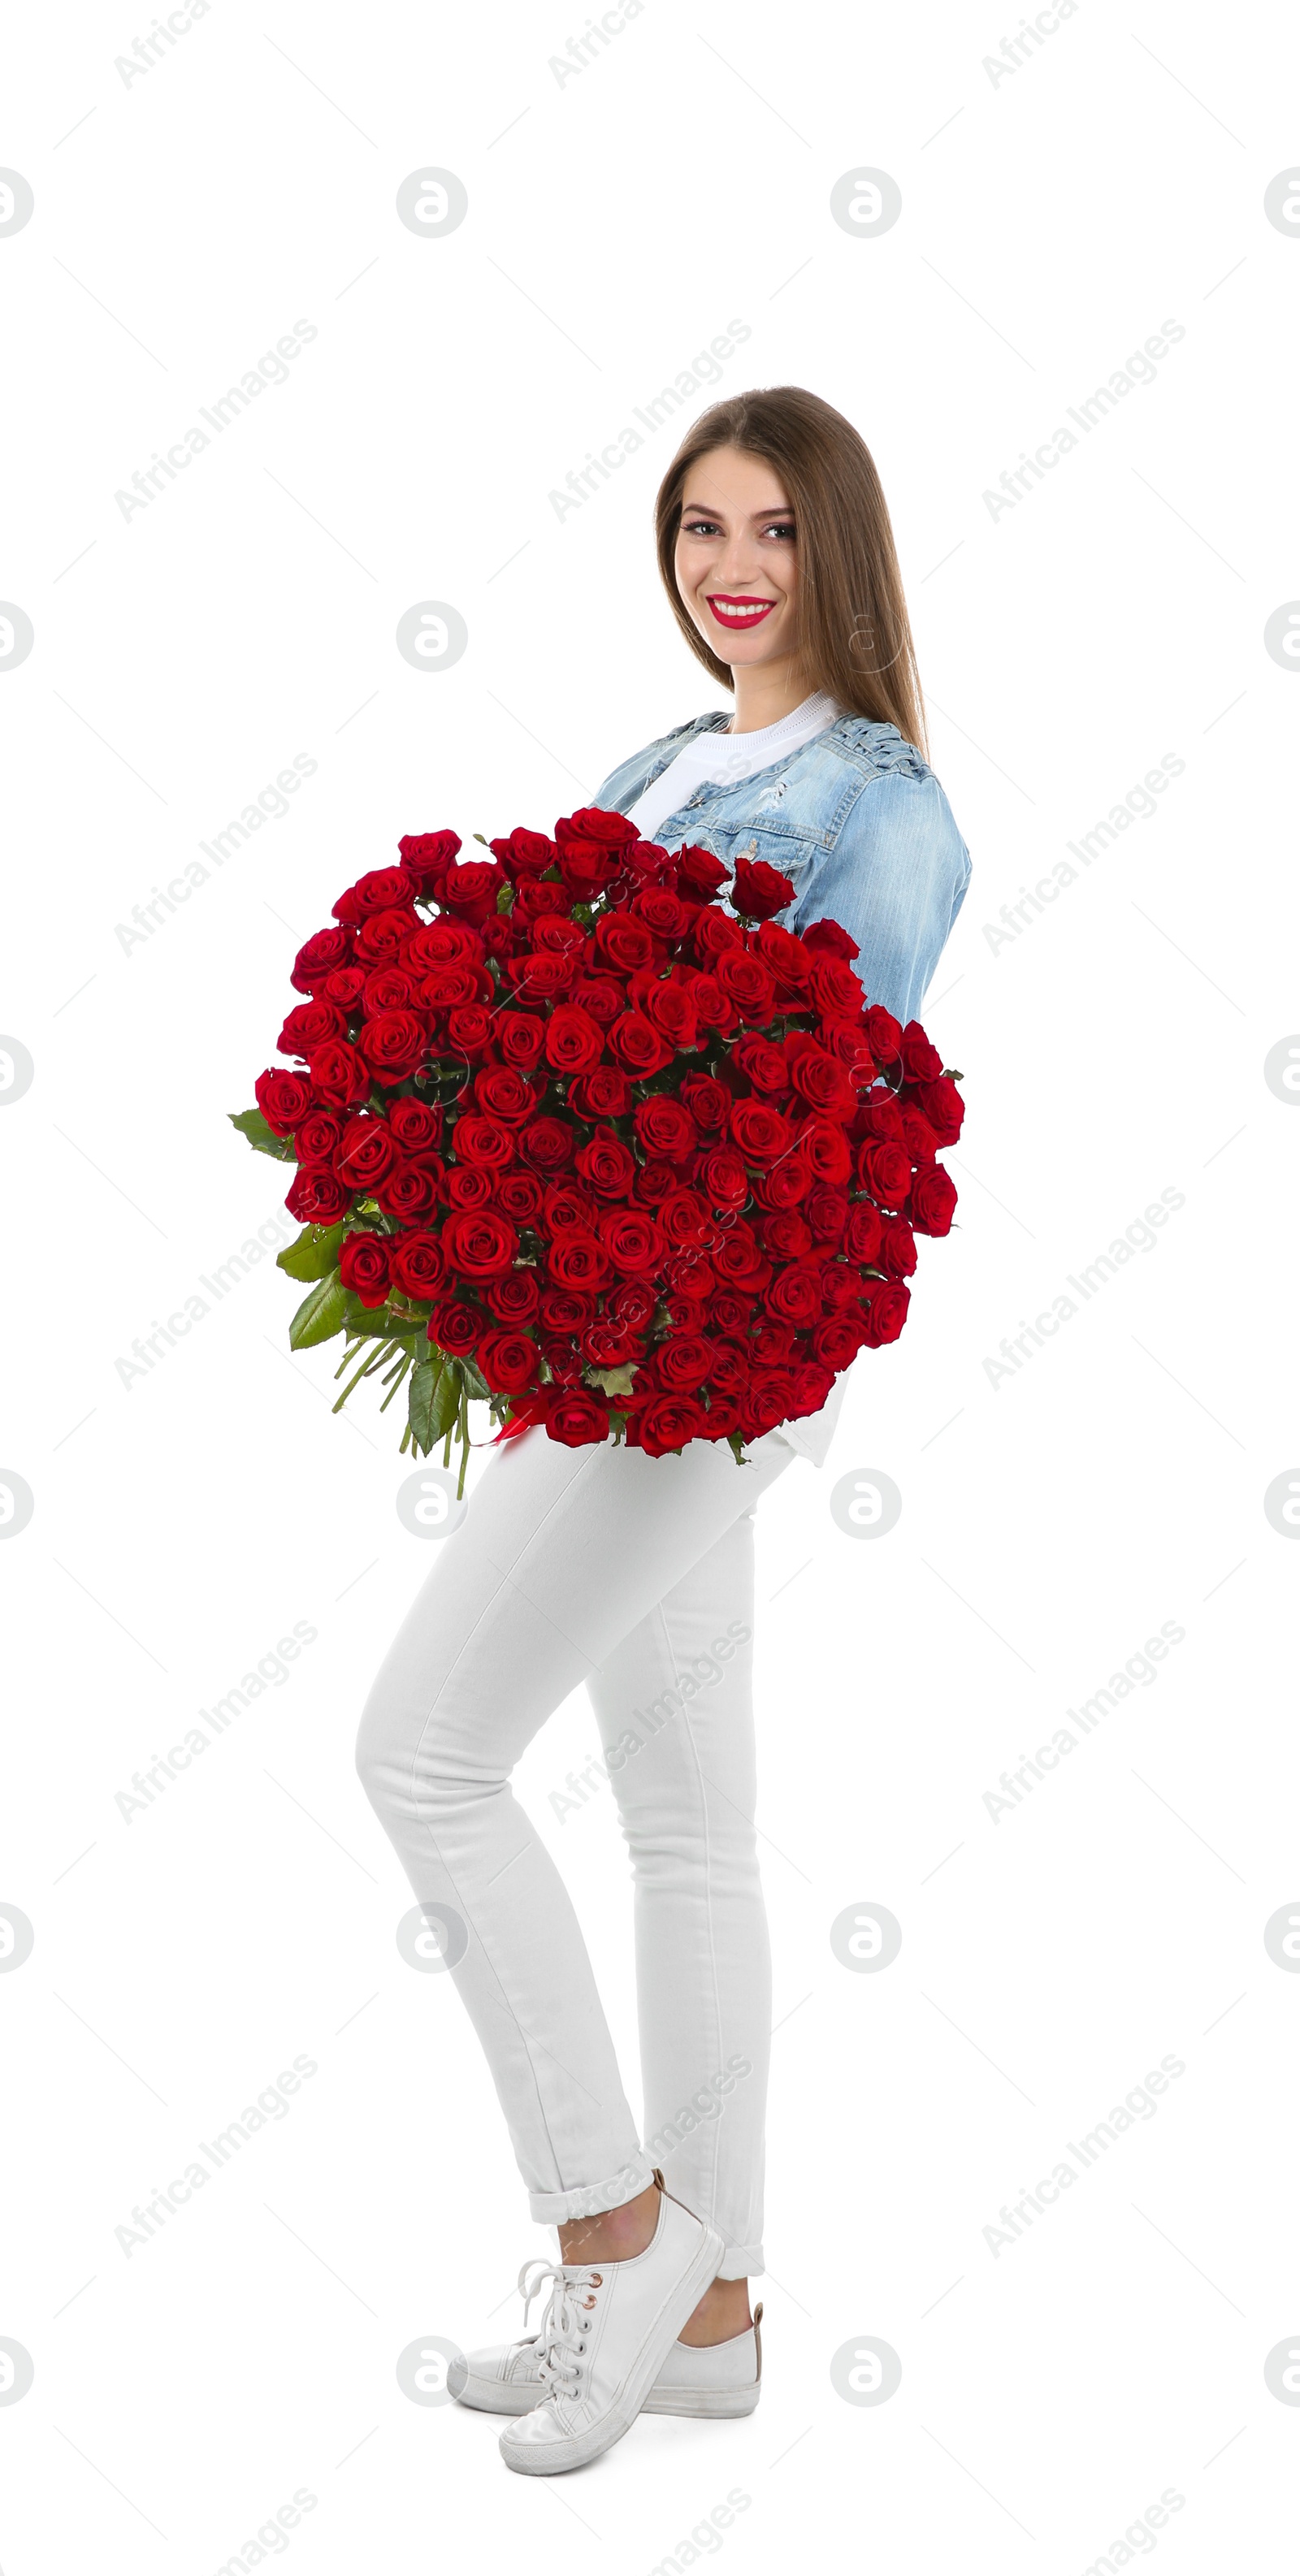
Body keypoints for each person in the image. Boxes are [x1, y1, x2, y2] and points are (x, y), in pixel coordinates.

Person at [356, 386, 972, 2477]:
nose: (731, 567)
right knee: (681, 1820)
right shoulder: (660, 762)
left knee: (420, 1749)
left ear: (839, 555)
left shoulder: (884, 806)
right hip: (592, 1336)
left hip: (699, 1358)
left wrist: (625, 1293)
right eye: (700, 525)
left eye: (774, 530)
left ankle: (610, 2218)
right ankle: (708, 2315)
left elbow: (832, 1128)